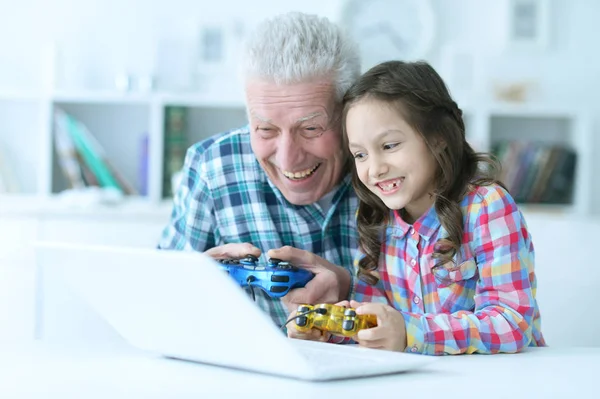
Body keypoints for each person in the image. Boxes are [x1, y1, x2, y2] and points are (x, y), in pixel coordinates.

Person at [287, 60, 546, 355]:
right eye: (360, 154)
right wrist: (329, 330)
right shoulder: (376, 219)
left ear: (438, 139)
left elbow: (511, 323)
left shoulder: (487, 207)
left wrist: (411, 333)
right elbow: (376, 325)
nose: (375, 169)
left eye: (389, 146)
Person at [157, 12, 362, 327]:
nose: (288, 159)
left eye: (310, 129)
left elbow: (443, 309)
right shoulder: (213, 167)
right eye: (265, 130)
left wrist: (353, 289)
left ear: (349, 112)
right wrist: (191, 283)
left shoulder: (395, 167)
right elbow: (156, 301)